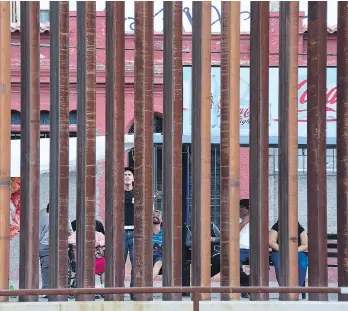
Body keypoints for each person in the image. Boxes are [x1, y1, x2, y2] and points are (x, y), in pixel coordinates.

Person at [39, 203, 73, 298]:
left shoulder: (63, 216)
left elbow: (69, 231)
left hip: (53, 244)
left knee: (47, 267)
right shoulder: (43, 215)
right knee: (51, 266)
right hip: (47, 244)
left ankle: (48, 289)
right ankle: (50, 288)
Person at [269, 220, 308, 287]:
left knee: (302, 264)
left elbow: (305, 244)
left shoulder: (299, 228)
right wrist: (283, 250)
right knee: (279, 265)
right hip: (279, 252)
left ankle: (297, 288)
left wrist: (294, 250)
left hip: (297, 252)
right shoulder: (276, 226)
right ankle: (283, 288)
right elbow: (271, 242)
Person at [124, 167, 135, 289]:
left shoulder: (138, 193)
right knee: (119, 263)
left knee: (136, 262)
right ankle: (119, 290)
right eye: (125, 174)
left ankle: (134, 290)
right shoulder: (117, 193)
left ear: (133, 178)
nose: (127, 176)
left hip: (135, 231)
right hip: (121, 231)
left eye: (129, 174)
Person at [152, 210, 163, 279]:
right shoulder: (147, 231)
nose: (155, 216)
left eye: (158, 215)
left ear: (161, 220)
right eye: (153, 215)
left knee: (158, 262)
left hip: (160, 256)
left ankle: (148, 285)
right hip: (148, 255)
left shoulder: (164, 232)